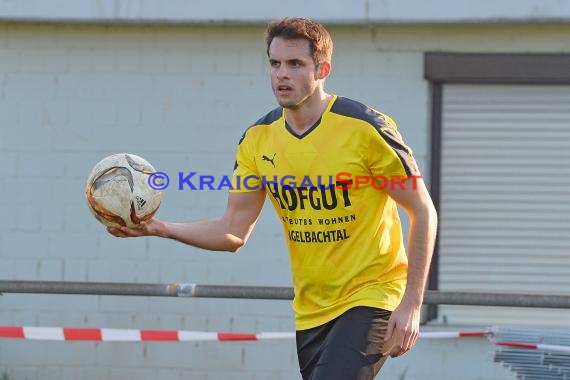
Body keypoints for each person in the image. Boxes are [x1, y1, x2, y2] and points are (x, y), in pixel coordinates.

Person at [109, 17, 438, 380]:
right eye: (275, 63)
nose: (282, 74)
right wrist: (160, 228)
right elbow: (233, 230)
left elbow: (422, 211)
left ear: (322, 69)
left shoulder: (365, 128)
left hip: (373, 297)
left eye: (295, 64)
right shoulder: (257, 139)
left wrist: (411, 303)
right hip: (311, 309)